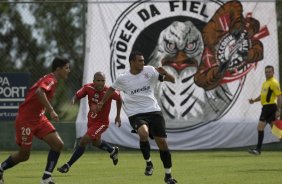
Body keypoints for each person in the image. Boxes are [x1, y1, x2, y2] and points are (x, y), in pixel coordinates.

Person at [97, 51, 177, 184]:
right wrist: (102, 102)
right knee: (143, 133)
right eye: (140, 61)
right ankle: (149, 163)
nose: (143, 63)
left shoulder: (150, 71)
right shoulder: (123, 78)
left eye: (143, 60)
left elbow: (172, 80)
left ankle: (168, 176)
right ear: (132, 62)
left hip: (154, 111)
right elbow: (111, 89)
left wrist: (165, 72)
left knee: (162, 143)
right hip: (136, 113)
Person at [0, 57, 70, 184]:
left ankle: (46, 178)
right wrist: (51, 110)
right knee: (24, 155)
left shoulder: (52, 79)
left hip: (39, 118)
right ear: (58, 69)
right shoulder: (51, 80)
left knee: (58, 144)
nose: (68, 70)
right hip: (26, 120)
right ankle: (0, 168)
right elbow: (39, 91)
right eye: (66, 68)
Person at [57, 72, 122, 173]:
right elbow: (77, 95)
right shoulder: (88, 88)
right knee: (96, 143)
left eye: (103, 81)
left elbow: (119, 99)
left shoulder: (109, 91)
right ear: (93, 81)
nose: (101, 83)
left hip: (102, 123)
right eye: (98, 80)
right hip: (91, 121)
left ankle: (67, 165)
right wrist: (73, 100)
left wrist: (118, 115)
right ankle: (112, 150)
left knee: (84, 141)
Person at [248, 65, 282, 155]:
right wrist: (254, 100)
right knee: (277, 131)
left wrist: (279, 110)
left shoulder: (274, 82)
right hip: (266, 108)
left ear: (273, 72)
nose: (267, 73)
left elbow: (279, 96)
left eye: (269, 72)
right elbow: (262, 95)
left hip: (270, 108)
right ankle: (258, 150)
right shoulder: (265, 83)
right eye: (266, 72)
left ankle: (258, 150)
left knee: (260, 127)